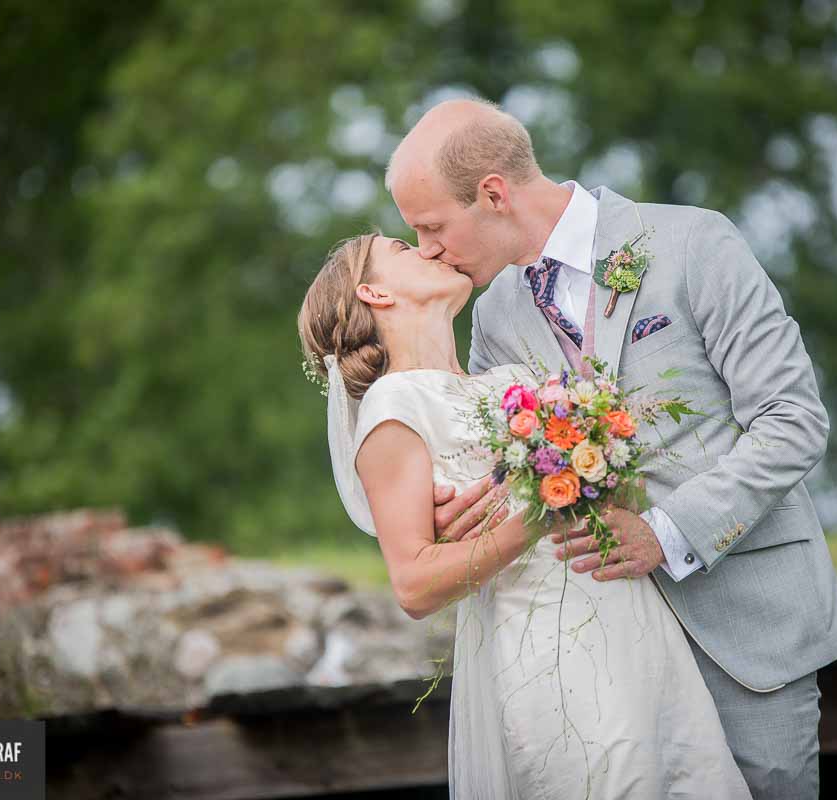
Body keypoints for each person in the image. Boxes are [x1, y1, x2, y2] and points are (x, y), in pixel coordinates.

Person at [383, 98, 837, 800]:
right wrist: (456, 507)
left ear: (491, 194)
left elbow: (791, 420)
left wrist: (667, 534)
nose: (425, 249)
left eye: (430, 227)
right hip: (603, 661)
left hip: (744, 629)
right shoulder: (495, 316)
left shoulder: (694, 242)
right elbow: (507, 466)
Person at [298, 232, 753, 798]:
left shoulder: (513, 383)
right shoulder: (394, 409)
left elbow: (618, 494)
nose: (429, 248)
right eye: (400, 247)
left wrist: (608, 461)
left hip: (637, 628)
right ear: (375, 292)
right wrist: (539, 513)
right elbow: (414, 585)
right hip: (552, 650)